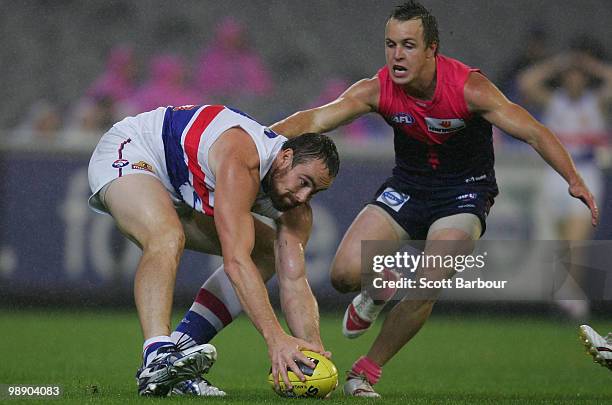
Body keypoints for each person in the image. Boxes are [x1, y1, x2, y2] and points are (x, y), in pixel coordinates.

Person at [182, 1, 598, 397]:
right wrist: (258, 149)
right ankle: (378, 288)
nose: (397, 55)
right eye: (391, 44)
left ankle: (365, 373)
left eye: (409, 46)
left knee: (429, 280)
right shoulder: (377, 88)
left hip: (465, 193)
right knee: (344, 274)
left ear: (432, 50)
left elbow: (532, 131)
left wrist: (574, 178)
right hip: (408, 187)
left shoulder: (469, 87)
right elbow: (315, 119)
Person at [87, 103, 339, 396]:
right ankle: (157, 356)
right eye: (304, 182)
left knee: (268, 252)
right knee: (166, 236)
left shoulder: (296, 207)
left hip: (180, 179)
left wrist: (313, 350)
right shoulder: (242, 161)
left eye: (314, 192)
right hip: (135, 150)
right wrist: (276, 339)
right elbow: (236, 262)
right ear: (285, 157)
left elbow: (295, 280)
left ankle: (178, 358)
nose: (303, 197)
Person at [518, 48, 612, 319]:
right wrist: (556, 63)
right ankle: (567, 297)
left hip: (586, 172)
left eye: (579, 75)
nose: (574, 80)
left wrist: (590, 64)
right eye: (570, 75)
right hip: (556, 175)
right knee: (560, 242)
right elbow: (527, 82)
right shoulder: (554, 101)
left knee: (577, 241)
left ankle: (574, 298)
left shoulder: (596, 103)